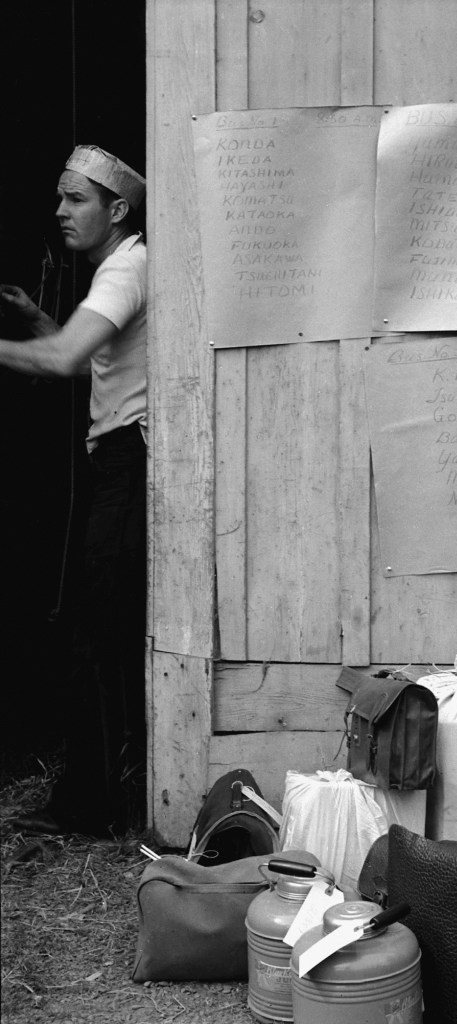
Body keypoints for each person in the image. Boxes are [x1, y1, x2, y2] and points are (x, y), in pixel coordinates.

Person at [1, 144, 147, 837]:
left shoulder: (125, 270)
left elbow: (64, 362)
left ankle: (95, 806)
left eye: (76, 199)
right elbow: (90, 359)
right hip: (119, 463)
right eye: (59, 198)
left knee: (97, 639)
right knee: (99, 635)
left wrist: (36, 345)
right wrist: (34, 318)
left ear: (116, 209)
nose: (60, 211)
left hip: (129, 463)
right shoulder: (125, 267)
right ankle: (103, 796)